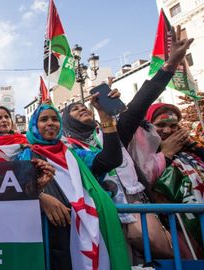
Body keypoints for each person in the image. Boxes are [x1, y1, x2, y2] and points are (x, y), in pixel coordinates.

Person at [19, 101, 129, 270]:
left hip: (84, 231)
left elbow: (111, 159)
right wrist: (41, 196)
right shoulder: (25, 156)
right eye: (43, 120)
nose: (50, 123)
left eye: (55, 119)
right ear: (34, 125)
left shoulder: (75, 154)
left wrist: (104, 116)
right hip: (47, 237)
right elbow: (17, 192)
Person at [143, 103, 204, 254]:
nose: (167, 130)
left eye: (174, 125)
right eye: (160, 125)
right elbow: (146, 181)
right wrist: (166, 154)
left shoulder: (189, 148)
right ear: (148, 125)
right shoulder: (142, 152)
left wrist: (191, 144)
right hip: (176, 227)